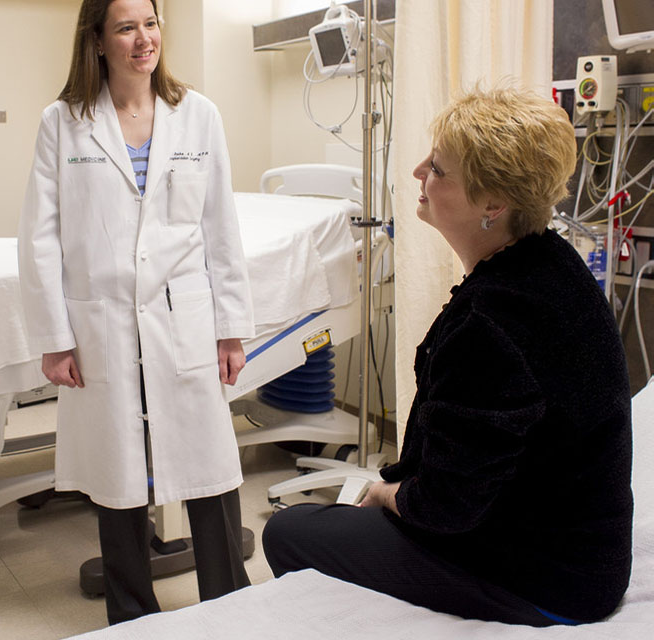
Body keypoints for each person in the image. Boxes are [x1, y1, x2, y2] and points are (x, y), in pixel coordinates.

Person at [262, 87, 633, 626]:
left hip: (541, 581)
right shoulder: (551, 263)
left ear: (493, 205)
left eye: (437, 168)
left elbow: (448, 508)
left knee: (289, 533)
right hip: (577, 555)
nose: (417, 172)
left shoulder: (491, 323)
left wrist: (386, 493)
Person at [19, 0, 254, 625]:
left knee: (207, 465)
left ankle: (229, 606)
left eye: (150, 23)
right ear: (97, 40)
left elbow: (219, 227)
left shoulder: (196, 113)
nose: (143, 39)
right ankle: (131, 614)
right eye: (125, 27)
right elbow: (39, 235)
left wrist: (230, 327)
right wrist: (54, 335)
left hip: (186, 316)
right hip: (100, 323)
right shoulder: (63, 121)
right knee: (117, 472)